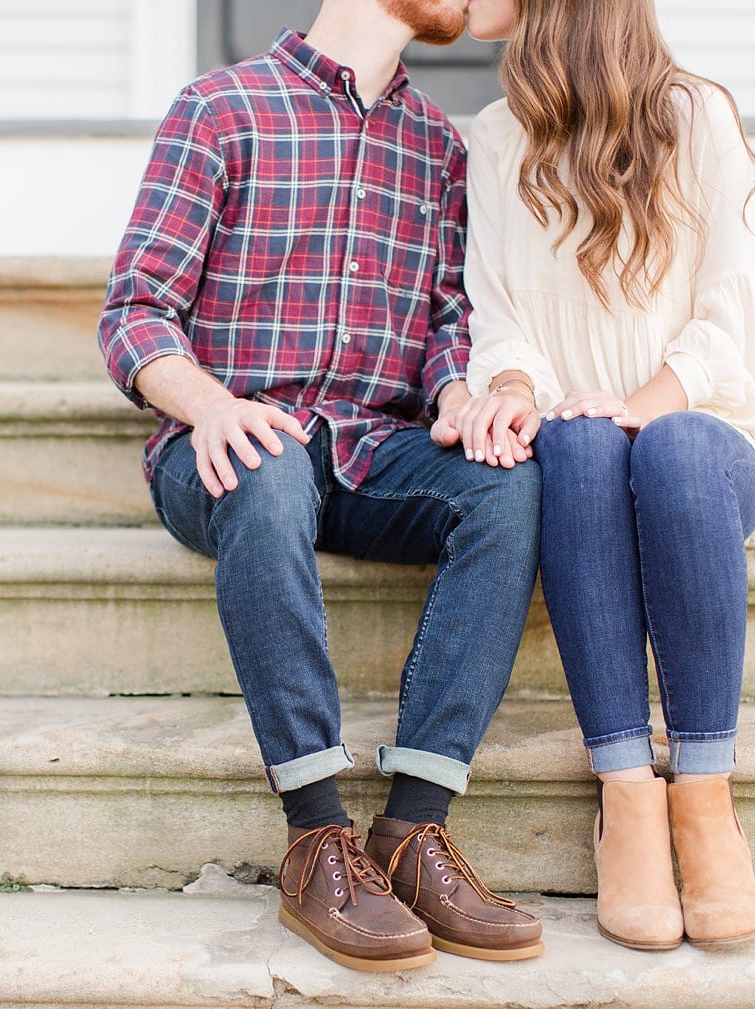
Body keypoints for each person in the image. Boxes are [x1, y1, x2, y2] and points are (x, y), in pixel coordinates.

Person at [98, 0, 546, 973]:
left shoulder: (437, 147)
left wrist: (464, 395)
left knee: (507, 486)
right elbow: (135, 310)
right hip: (226, 448)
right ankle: (315, 835)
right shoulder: (221, 108)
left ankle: (411, 832)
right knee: (268, 462)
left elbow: (441, 323)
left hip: (372, 449)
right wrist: (210, 404)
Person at [447, 0, 755, 952]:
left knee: (668, 443)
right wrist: (517, 384)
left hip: (703, 448)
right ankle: (625, 797)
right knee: (578, 447)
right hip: (583, 454)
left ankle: (703, 794)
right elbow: (494, 310)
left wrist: (640, 398)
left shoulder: (696, 117)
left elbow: (729, 319)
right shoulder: (492, 138)